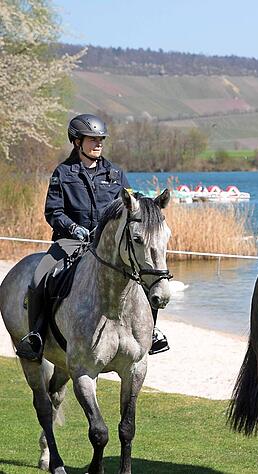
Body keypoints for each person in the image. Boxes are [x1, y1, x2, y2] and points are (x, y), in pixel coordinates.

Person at [15, 113, 169, 361]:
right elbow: (53, 211)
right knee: (39, 277)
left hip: (106, 244)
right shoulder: (63, 173)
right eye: (92, 139)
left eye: (101, 139)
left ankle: (150, 332)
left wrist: (148, 205)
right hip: (70, 241)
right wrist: (73, 228)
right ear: (77, 142)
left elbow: (131, 201)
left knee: (146, 274)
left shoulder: (115, 174)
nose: (98, 144)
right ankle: (36, 336)